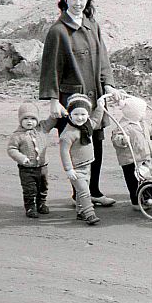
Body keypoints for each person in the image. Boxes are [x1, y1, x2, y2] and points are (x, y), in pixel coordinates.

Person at [39, 0, 122, 207]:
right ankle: (80, 195)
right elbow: (51, 68)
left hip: (95, 97)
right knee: (77, 147)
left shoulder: (92, 24)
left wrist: (109, 85)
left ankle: (93, 190)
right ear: (65, 0)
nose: (77, 3)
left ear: (87, 1)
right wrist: (54, 101)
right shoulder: (58, 31)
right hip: (73, 99)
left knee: (96, 141)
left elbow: (103, 58)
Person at [110, 96, 152, 210]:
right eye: (142, 112)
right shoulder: (124, 126)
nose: (144, 114)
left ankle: (148, 198)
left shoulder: (142, 123)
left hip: (144, 157)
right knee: (134, 181)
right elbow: (115, 138)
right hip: (130, 159)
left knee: (147, 178)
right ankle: (136, 201)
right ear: (133, 113)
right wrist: (122, 140)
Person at [58, 93, 106, 225]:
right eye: (76, 114)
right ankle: (90, 214)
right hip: (76, 168)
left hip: (87, 165)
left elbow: (96, 121)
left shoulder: (87, 125)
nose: (80, 118)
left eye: (83, 114)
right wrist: (68, 169)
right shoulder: (67, 134)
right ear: (69, 114)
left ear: (87, 115)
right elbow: (64, 152)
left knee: (81, 192)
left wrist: (100, 107)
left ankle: (80, 212)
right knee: (85, 192)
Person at [6, 101, 56, 218]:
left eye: (33, 118)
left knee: (43, 186)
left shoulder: (42, 128)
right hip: (26, 169)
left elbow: (53, 119)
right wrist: (21, 158)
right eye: (26, 118)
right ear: (20, 120)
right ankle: (30, 207)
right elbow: (11, 149)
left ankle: (41, 203)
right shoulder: (17, 135)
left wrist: (58, 110)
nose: (29, 121)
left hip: (43, 166)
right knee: (29, 188)